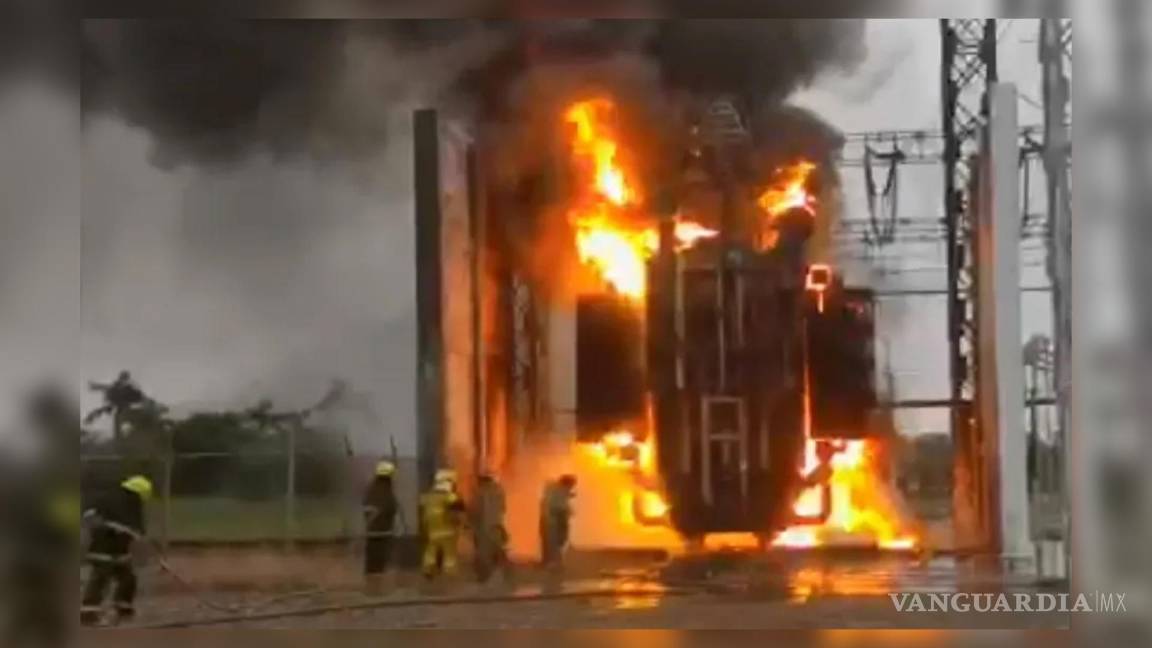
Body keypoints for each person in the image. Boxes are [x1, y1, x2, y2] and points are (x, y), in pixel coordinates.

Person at [80, 475, 152, 627]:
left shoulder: (132, 507)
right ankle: (88, 613)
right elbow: (89, 517)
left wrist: (135, 534)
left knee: (128, 578)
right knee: (100, 578)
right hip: (103, 548)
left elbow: (137, 530)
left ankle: (123, 608)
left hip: (120, 550)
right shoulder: (109, 501)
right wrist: (109, 526)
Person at [419, 469, 465, 581]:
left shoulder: (428, 496)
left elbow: (421, 509)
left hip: (432, 530)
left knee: (431, 551)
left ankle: (428, 571)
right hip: (446, 530)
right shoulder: (449, 496)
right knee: (449, 553)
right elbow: (460, 507)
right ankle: (449, 575)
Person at [362, 460, 399, 595]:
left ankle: (369, 587)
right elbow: (391, 509)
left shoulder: (371, 490)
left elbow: (366, 507)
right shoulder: (387, 492)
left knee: (370, 561)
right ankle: (376, 589)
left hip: (371, 532)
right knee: (379, 562)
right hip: (383, 532)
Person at [472, 472, 512, 584]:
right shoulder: (500, 490)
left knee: (483, 553)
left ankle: (484, 577)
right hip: (497, 526)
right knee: (498, 551)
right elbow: (503, 508)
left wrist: (471, 524)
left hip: (485, 527)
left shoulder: (480, 492)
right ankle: (507, 576)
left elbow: (476, 510)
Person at [539, 474, 577, 570]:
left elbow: (561, 501)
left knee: (551, 541)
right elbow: (558, 505)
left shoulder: (555, 490)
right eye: (571, 485)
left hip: (549, 519)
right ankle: (553, 563)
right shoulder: (557, 491)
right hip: (553, 519)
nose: (572, 487)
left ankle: (549, 562)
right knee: (555, 541)